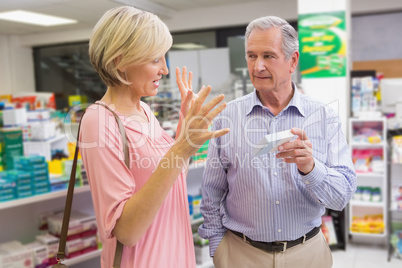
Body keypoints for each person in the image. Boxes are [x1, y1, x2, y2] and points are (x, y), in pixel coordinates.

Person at [198, 15, 356, 268]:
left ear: (292, 61)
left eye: (268, 56)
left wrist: (311, 168)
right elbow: (212, 191)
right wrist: (218, 247)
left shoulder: (324, 118)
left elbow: (341, 197)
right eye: (251, 56)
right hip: (241, 254)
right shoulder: (227, 118)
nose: (257, 66)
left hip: (307, 254)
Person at [80, 6, 229, 268]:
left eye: (164, 58)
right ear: (121, 61)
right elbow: (127, 231)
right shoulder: (99, 121)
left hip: (176, 255)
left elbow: (171, 181)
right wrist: (181, 148)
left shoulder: (145, 111)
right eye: (155, 60)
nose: (165, 69)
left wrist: (186, 126)